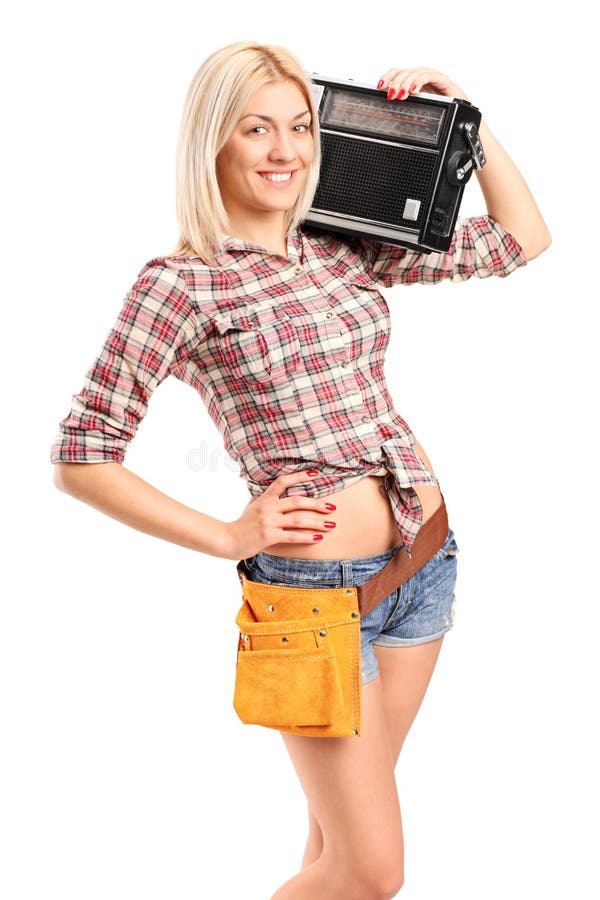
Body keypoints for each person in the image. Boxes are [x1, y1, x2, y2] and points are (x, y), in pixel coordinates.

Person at [50, 41, 551, 899]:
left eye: (299, 128)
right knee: (370, 871)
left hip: (422, 561)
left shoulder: (337, 243)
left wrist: (463, 121)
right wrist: (224, 535)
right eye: (256, 129)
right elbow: (81, 453)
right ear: (215, 143)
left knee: (335, 853)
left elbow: (519, 240)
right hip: (312, 596)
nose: (284, 151)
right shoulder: (181, 284)